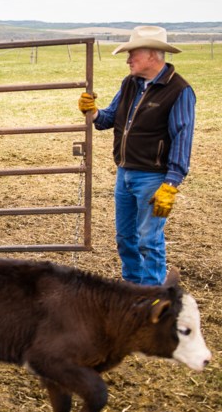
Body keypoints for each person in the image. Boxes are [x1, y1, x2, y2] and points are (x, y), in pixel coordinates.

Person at [78, 25, 195, 286]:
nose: (128, 59)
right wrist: (93, 112)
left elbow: (182, 137)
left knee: (148, 239)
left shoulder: (178, 90)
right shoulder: (130, 83)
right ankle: (132, 287)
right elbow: (109, 118)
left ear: (153, 55)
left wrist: (171, 183)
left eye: (133, 54)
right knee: (125, 237)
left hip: (153, 178)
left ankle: (153, 295)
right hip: (125, 173)